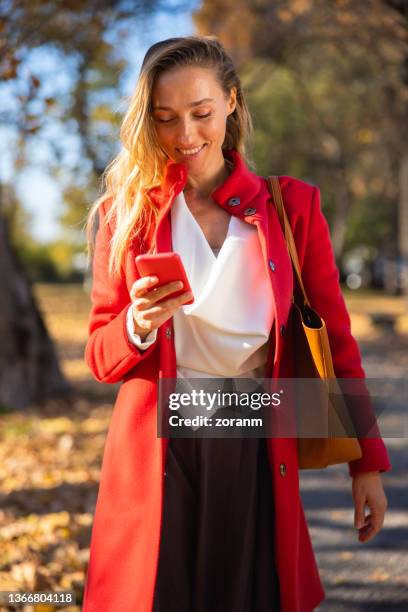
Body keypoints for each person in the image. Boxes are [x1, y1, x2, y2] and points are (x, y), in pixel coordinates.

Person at [82, 36, 391, 612]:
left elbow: (338, 342)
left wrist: (366, 463)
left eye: (201, 113)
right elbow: (100, 358)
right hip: (157, 450)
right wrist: (136, 325)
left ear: (230, 102)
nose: (185, 136)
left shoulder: (291, 207)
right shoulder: (122, 215)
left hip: (252, 437)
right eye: (165, 118)